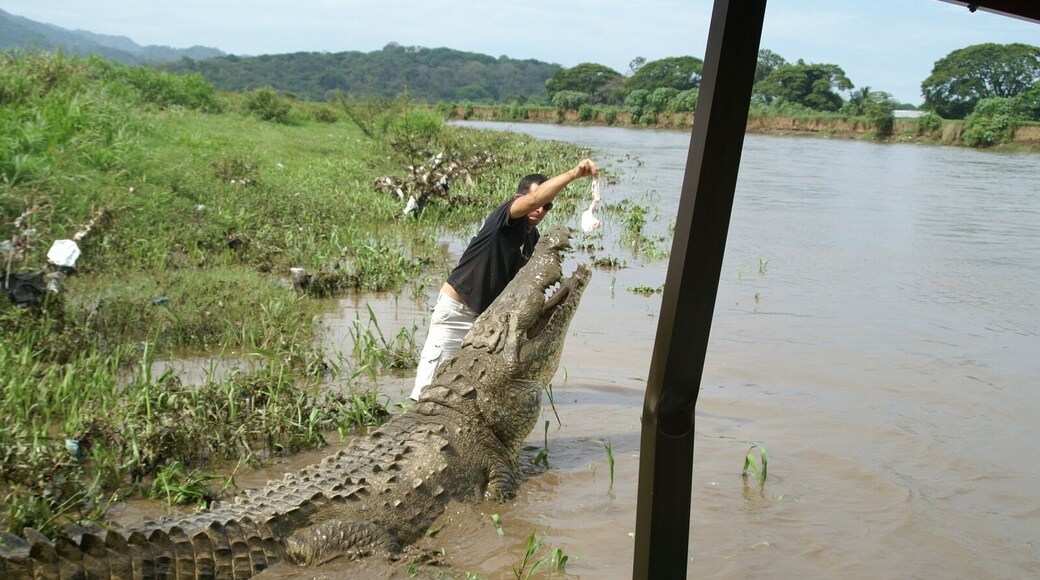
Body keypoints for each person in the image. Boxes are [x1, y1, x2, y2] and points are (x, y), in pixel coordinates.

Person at [409, 158, 599, 400]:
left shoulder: (532, 238)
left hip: (485, 323)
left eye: (547, 206)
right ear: (517, 198)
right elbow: (532, 201)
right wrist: (573, 174)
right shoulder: (505, 216)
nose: (540, 210)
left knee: (463, 394)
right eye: (538, 202)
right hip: (457, 312)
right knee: (427, 391)